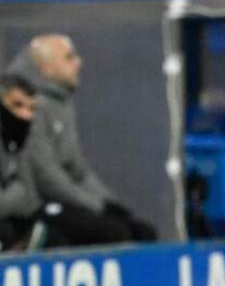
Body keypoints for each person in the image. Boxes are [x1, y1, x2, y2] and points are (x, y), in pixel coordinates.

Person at [7, 35, 157, 247]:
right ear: (46, 68)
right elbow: (46, 177)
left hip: (65, 202)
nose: (79, 62)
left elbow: (78, 170)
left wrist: (108, 204)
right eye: (69, 58)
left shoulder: (63, 103)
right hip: (39, 206)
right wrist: (97, 207)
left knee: (139, 230)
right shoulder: (29, 106)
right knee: (111, 232)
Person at [0, 74, 40, 251]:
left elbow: (31, 198)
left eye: (31, 109)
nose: (25, 115)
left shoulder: (19, 141)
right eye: (17, 105)